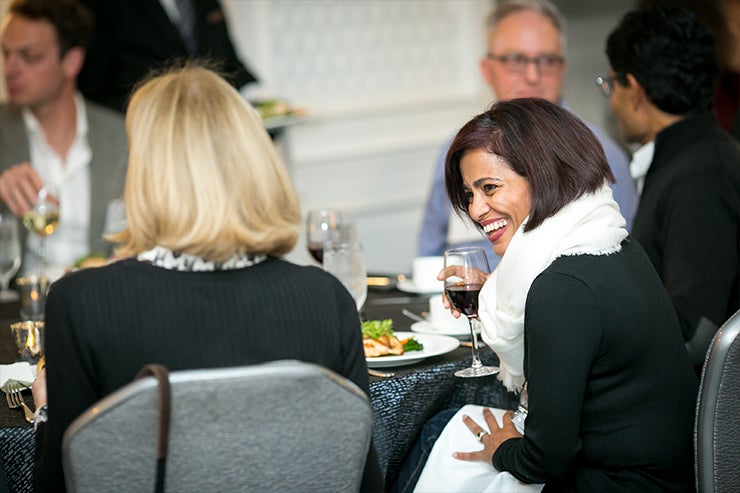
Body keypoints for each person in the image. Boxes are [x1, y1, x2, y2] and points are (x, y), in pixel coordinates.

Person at [30, 65, 382, 492]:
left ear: (147, 174)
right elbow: (359, 478)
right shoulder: (326, 297)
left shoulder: (81, 303)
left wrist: (49, 415)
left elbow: (61, 483)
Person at [396, 98, 697, 492]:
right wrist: (493, 290)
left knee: (442, 439)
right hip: (669, 472)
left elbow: (545, 460)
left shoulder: (561, 287)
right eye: (469, 194)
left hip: (621, 483)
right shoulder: (609, 241)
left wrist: (501, 450)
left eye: (489, 188)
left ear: (543, 175)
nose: (476, 209)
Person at [418, 0, 637, 268]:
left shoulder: (597, 154)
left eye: (546, 61)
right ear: (487, 70)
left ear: (563, 69)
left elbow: (613, 262)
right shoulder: (457, 151)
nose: (533, 75)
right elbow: (427, 259)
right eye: (515, 60)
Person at [603, 3, 740, 366]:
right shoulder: (689, 161)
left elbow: (696, 335)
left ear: (633, 90)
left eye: (610, 84)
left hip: (692, 410)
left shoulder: (700, 178)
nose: (612, 99)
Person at [0, 0, 127, 279]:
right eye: (6, 54)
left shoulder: (122, 135)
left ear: (72, 62)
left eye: (29, 56)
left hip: (103, 305)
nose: (10, 68)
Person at [77, 0, 257, 113]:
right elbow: (94, 87)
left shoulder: (205, 4)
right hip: (146, 141)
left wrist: (256, 101)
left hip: (213, 136)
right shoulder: (104, 7)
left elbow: (229, 63)